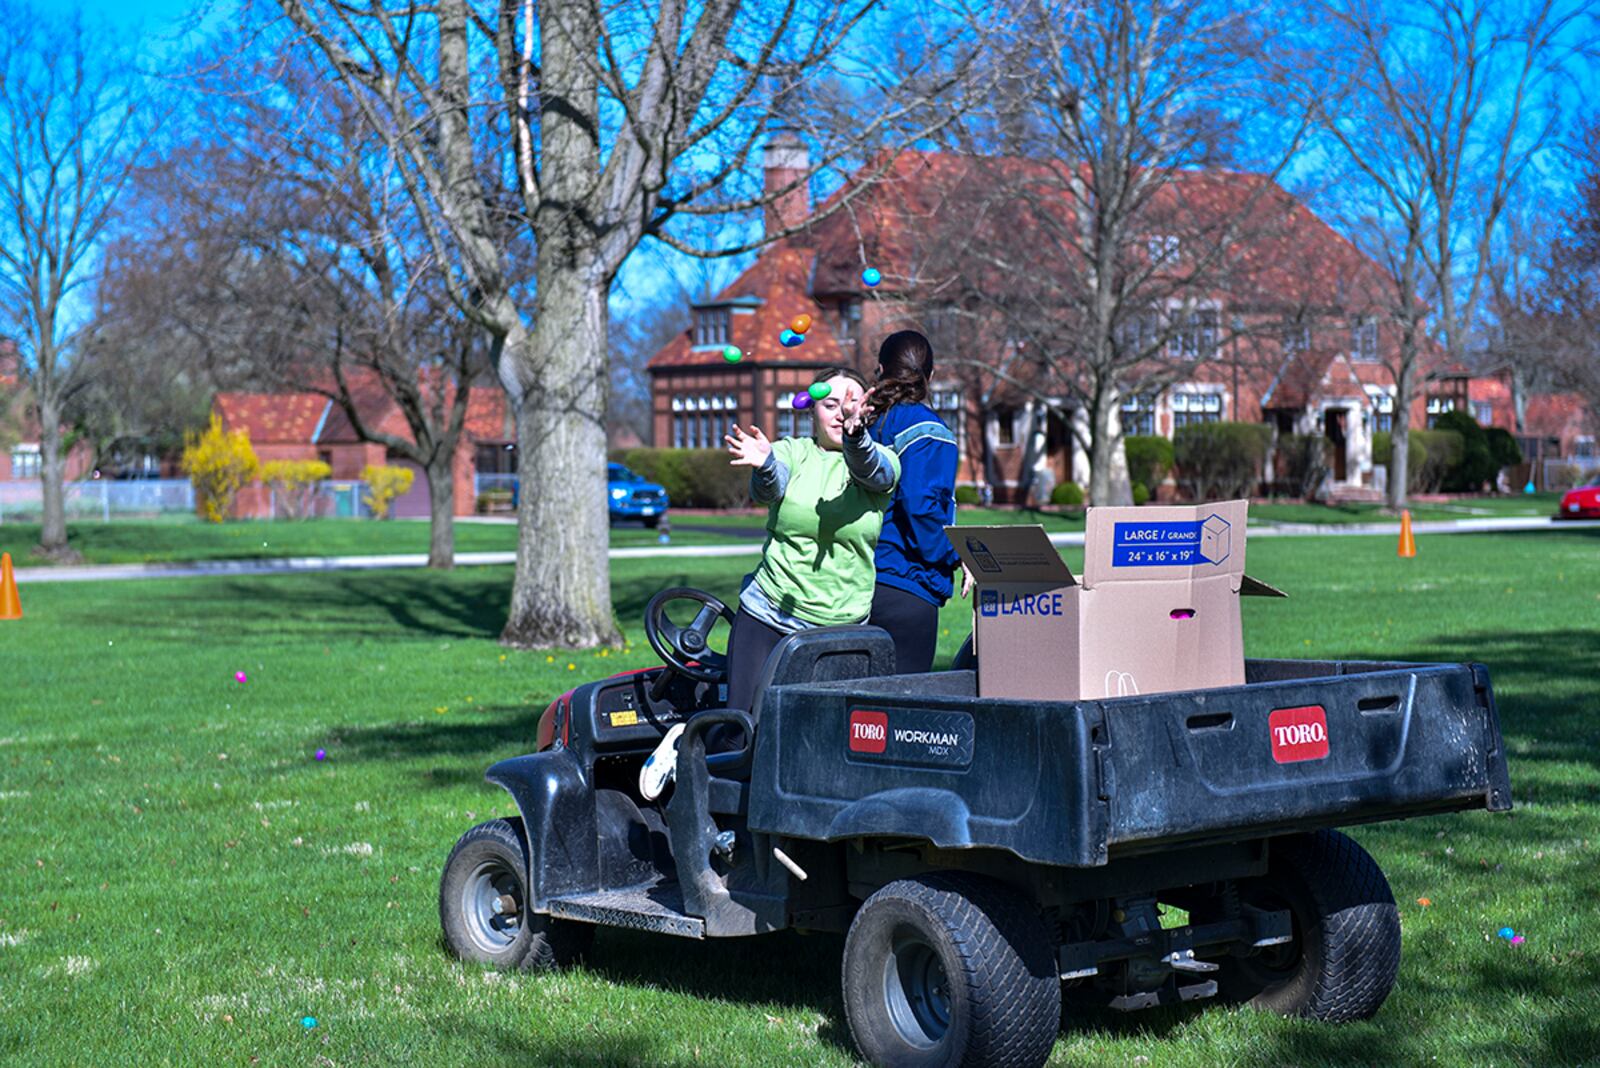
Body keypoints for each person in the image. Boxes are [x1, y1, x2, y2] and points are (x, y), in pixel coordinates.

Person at [639, 367, 900, 799]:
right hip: (768, 612)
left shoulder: (885, 459)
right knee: (741, 729)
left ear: (866, 410)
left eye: (850, 404)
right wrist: (763, 466)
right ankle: (695, 773)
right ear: (812, 409)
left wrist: (857, 437)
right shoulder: (792, 451)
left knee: (817, 742)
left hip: (838, 629)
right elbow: (770, 485)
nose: (840, 413)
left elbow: (871, 471)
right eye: (829, 404)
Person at [864, 330, 961, 674]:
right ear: (930, 376)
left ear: (879, 370)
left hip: (853, 583)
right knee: (900, 713)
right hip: (905, 584)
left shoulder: (859, 425)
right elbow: (920, 507)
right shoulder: (928, 431)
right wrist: (956, 554)